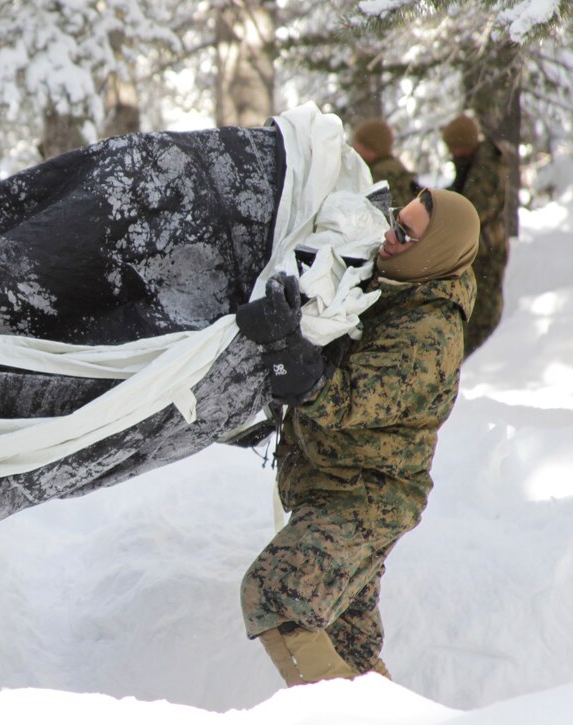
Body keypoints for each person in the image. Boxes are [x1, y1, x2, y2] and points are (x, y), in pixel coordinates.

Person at [234, 188, 479, 686]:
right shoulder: (399, 283)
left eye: (407, 235)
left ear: (436, 251)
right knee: (351, 647)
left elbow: (346, 399)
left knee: (278, 593)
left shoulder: (430, 331)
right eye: (396, 222)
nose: (390, 238)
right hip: (333, 484)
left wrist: (288, 352)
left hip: (364, 498)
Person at [442, 113, 509, 357]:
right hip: (479, 249)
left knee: (483, 314)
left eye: (455, 148)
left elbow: (473, 209)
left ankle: (484, 357)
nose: (453, 154)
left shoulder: (485, 167)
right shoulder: (475, 163)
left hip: (486, 251)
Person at [351, 118, 419, 208]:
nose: (354, 149)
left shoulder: (378, 174)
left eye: (358, 146)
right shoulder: (395, 167)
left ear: (371, 148)